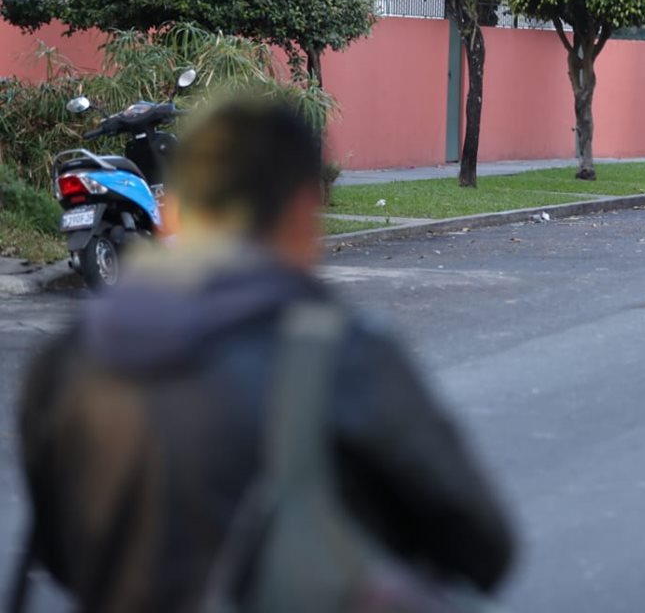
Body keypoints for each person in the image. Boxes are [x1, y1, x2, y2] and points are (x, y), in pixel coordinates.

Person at [16, 98, 515, 612]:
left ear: (184, 203)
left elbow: (61, 553)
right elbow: (483, 545)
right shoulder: (342, 353)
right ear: (302, 209)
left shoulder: (69, 358)